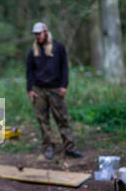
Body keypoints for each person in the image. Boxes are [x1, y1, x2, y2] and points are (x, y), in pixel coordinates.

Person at [26, 22, 84, 160]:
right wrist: (30, 90)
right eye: (35, 34)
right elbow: (29, 71)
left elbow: (64, 67)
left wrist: (64, 85)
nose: (37, 36)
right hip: (39, 90)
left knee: (62, 118)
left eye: (39, 33)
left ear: (46, 32)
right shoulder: (33, 50)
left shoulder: (58, 47)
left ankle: (70, 148)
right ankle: (48, 147)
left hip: (55, 89)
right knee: (43, 120)